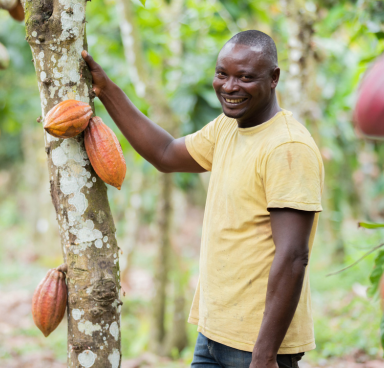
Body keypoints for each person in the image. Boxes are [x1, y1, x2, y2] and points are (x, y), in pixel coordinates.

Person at [82, 29, 324, 368]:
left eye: (245, 77)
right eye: (222, 74)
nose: (229, 87)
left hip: (256, 346)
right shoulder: (228, 127)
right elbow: (165, 153)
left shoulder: (287, 148)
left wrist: (264, 355)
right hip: (213, 335)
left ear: (274, 78)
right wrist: (106, 90)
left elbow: (294, 255)